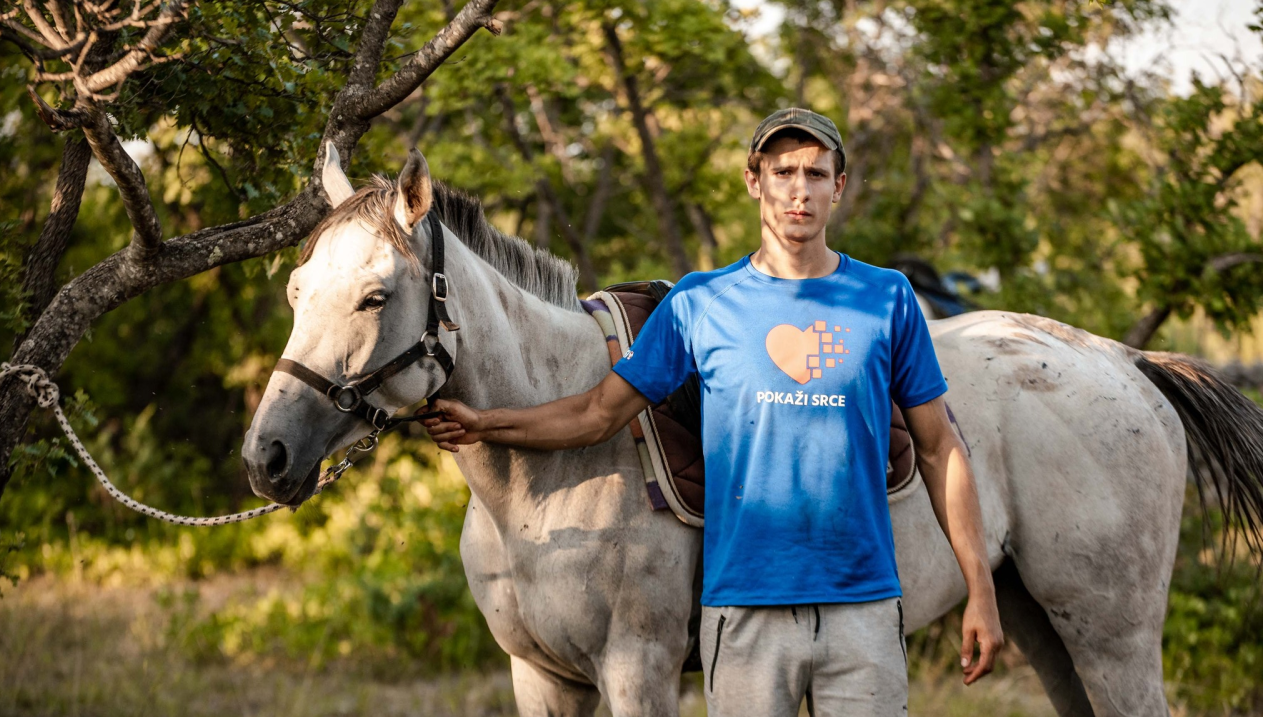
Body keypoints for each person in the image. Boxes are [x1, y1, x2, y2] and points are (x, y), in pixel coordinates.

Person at [421, 107, 1003, 716]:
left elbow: (940, 450)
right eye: (782, 172)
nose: (799, 191)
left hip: (865, 610)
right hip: (743, 614)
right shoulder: (699, 302)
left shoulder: (887, 298)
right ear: (754, 181)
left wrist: (980, 591)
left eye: (815, 174)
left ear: (838, 186)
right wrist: (485, 424)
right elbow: (597, 413)